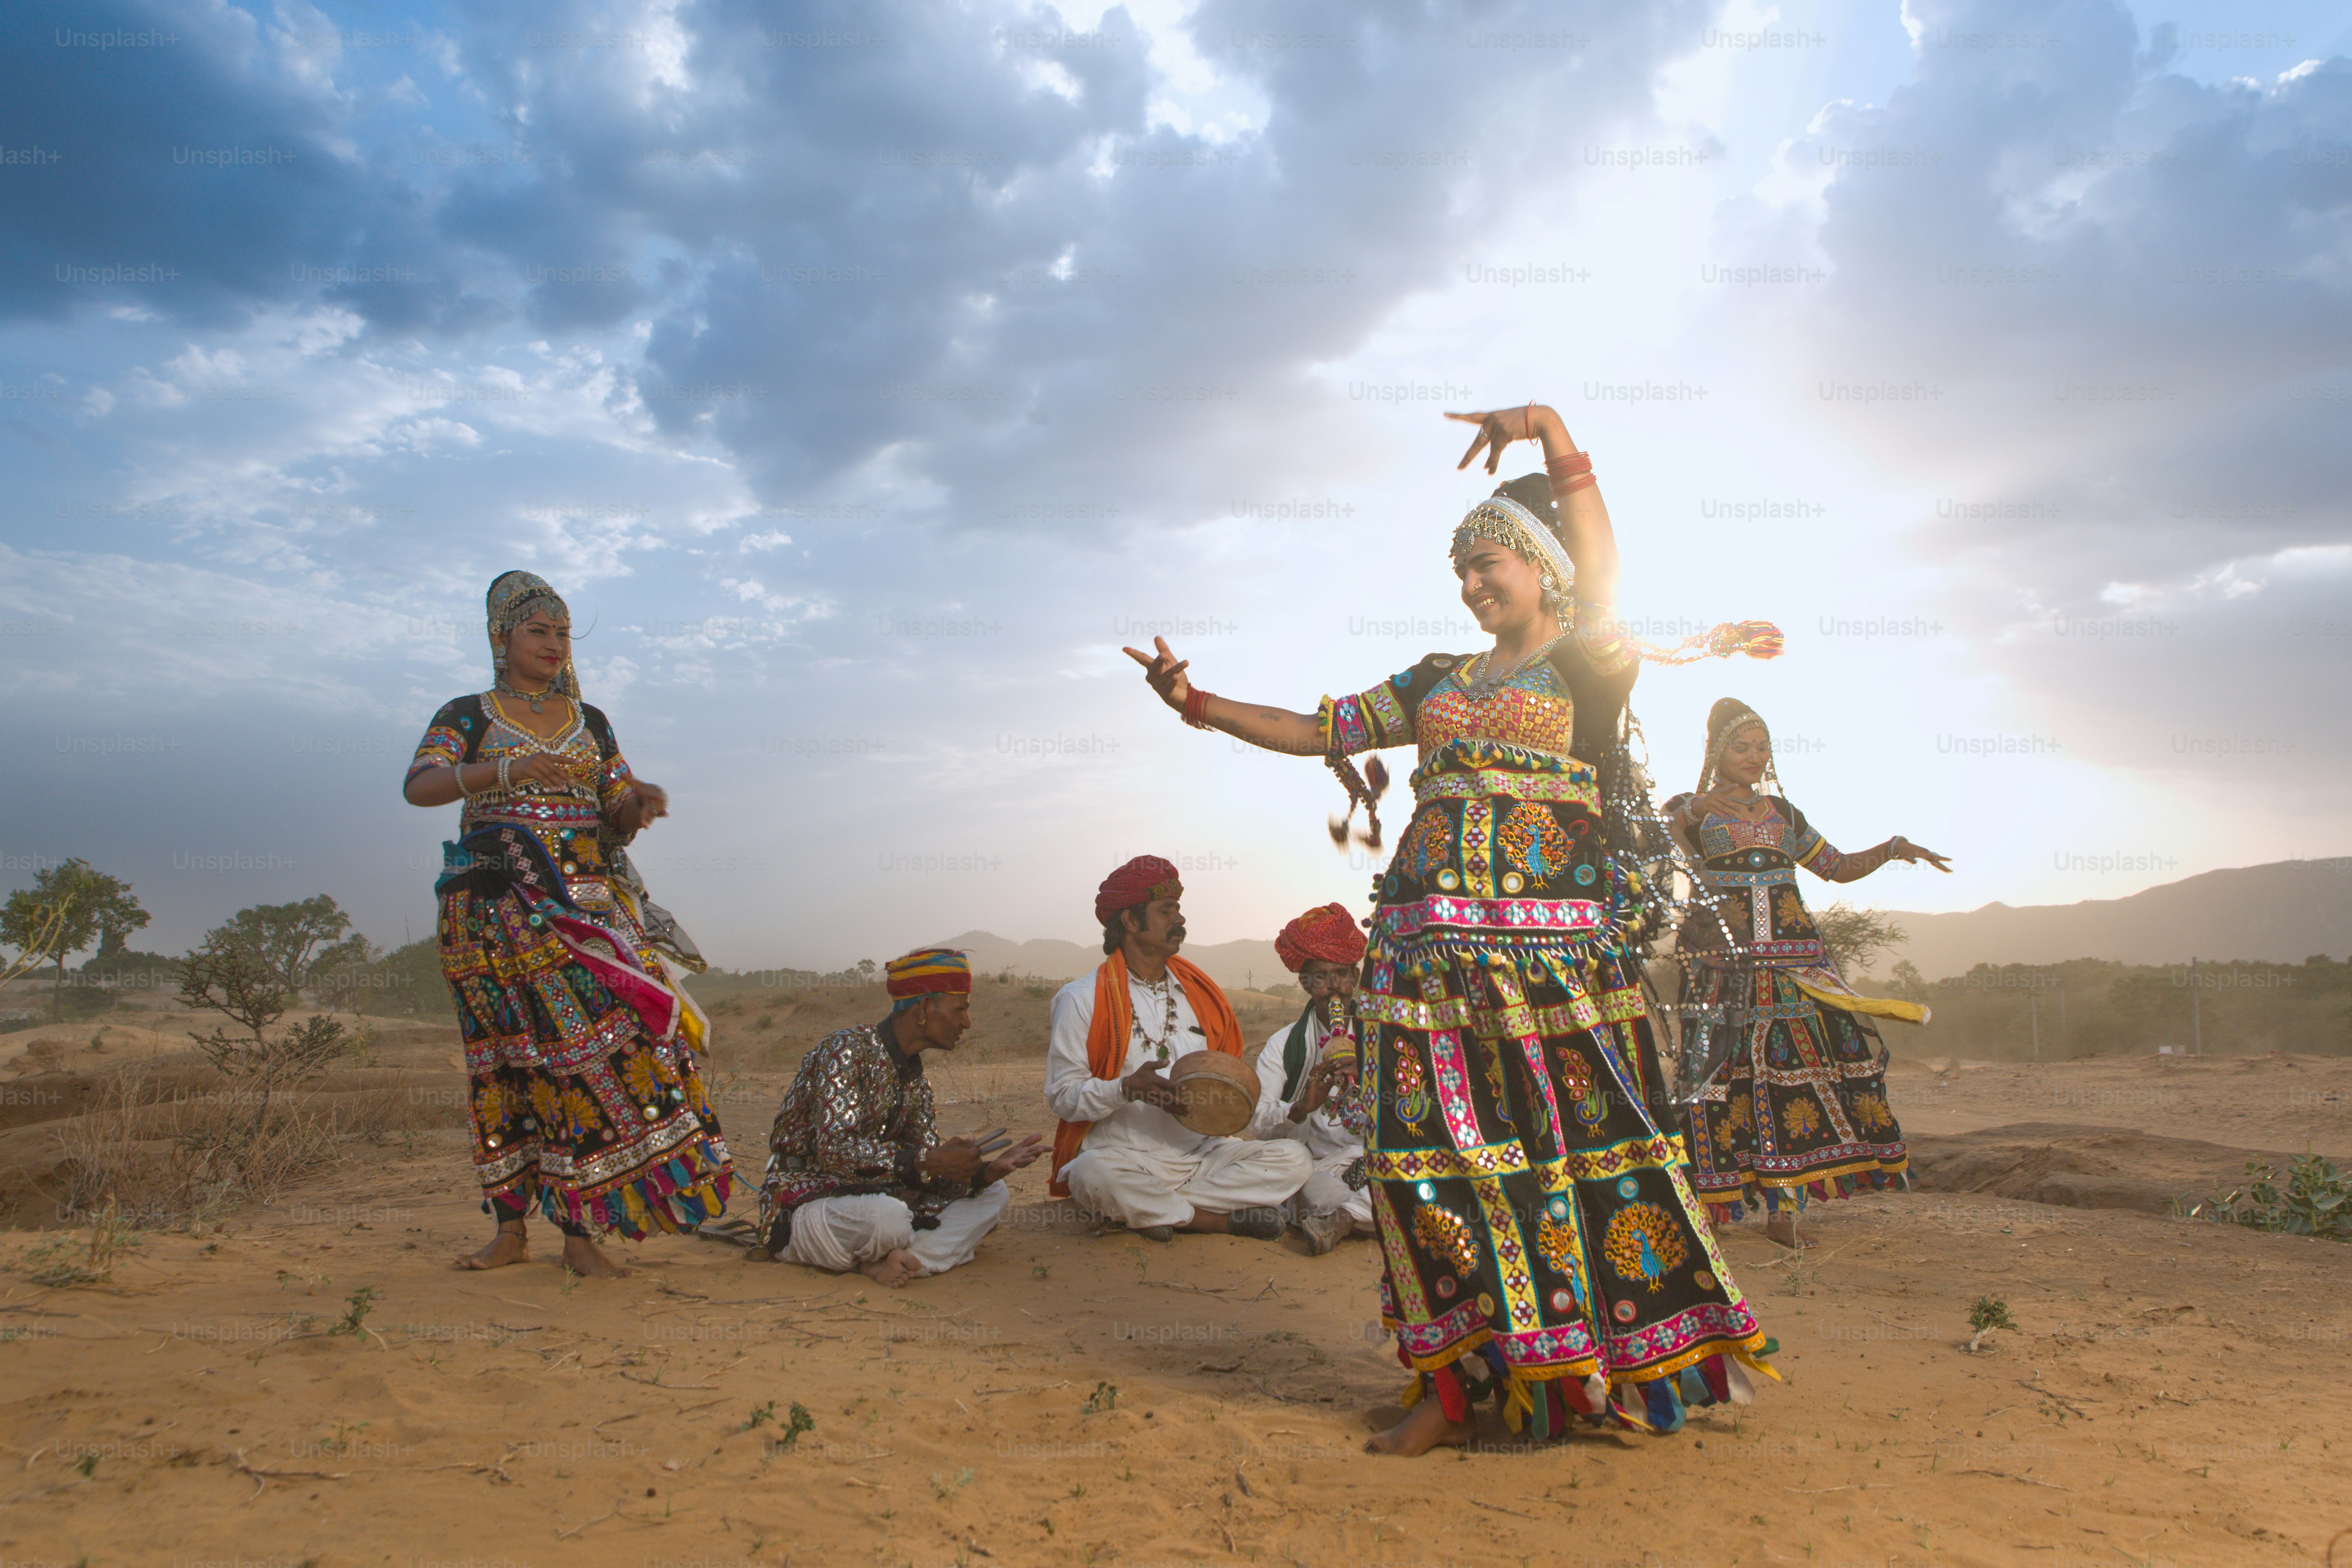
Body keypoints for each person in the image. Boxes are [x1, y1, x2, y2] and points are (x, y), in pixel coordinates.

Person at [1124, 403, 1782, 1452]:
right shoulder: (1435, 679)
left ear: (1543, 566)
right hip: (1422, 968)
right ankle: (1448, 1381)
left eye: (1488, 566)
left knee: (1569, 1158)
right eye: (1462, 573)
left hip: (1550, 972)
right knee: (1422, 1165)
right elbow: (1313, 728)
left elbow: (1605, 562)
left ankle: (1580, 1371)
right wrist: (1195, 702)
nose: (1472, 587)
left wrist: (1553, 435)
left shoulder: (1589, 661)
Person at [405, 570, 732, 1279]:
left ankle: (582, 1233)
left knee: (606, 1051)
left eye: (562, 633)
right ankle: (512, 1229)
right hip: (496, 909)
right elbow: (420, 786)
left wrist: (634, 806)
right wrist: (506, 769)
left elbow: (614, 807)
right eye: (538, 632)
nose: (553, 645)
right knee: (508, 1061)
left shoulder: (594, 722)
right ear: (502, 639)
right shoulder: (469, 714)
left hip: (590, 914)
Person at [1667, 699, 1949, 1250]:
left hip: (1795, 967)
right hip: (1723, 968)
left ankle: (1783, 1213)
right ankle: (1714, 1212)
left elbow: (1836, 868)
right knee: (1715, 1081)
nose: (1754, 756)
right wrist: (1694, 807)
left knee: (1788, 1081)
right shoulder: (1692, 809)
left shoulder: (1785, 815)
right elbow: (1660, 835)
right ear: (1717, 752)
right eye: (1741, 746)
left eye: (1761, 746)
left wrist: (1891, 849)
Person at [1046, 857, 1313, 1242]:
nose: (1180, 920)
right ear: (1130, 922)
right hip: (1125, 1157)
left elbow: (1225, 1080)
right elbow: (1062, 1096)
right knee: (1092, 1175)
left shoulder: (1199, 995)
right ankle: (1215, 1221)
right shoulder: (1080, 998)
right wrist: (1123, 1089)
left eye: (1179, 910)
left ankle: (1158, 1210)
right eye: (1166, 911)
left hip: (1203, 1155)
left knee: (1293, 1159)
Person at [756, 948, 1044, 1286]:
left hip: (878, 1195)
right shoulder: (846, 1050)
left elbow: (924, 1170)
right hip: (806, 1201)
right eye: (961, 1009)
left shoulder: (916, 1082)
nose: (966, 1023)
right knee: (888, 1219)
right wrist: (927, 1161)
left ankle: (902, 1259)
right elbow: (834, 1151)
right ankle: (910, 1254)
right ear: (924, 1008)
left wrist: (980, 1173)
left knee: (994, 1196)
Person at [1246, 903, 1375, 1256]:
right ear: (1306, 984)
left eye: (1341, 975)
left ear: (1356, 979)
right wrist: (1301, 1107)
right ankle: (1362, 1214)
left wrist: (1369, 1076)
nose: (1334, 988)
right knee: (1323, 1197)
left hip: (1378, 1157)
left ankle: (1344, 1221)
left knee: (1420, 1171)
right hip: (1320, 1168)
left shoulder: (1382, 1036)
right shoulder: (1284, 1044)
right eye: (1321, 977)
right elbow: (1258, 1123)